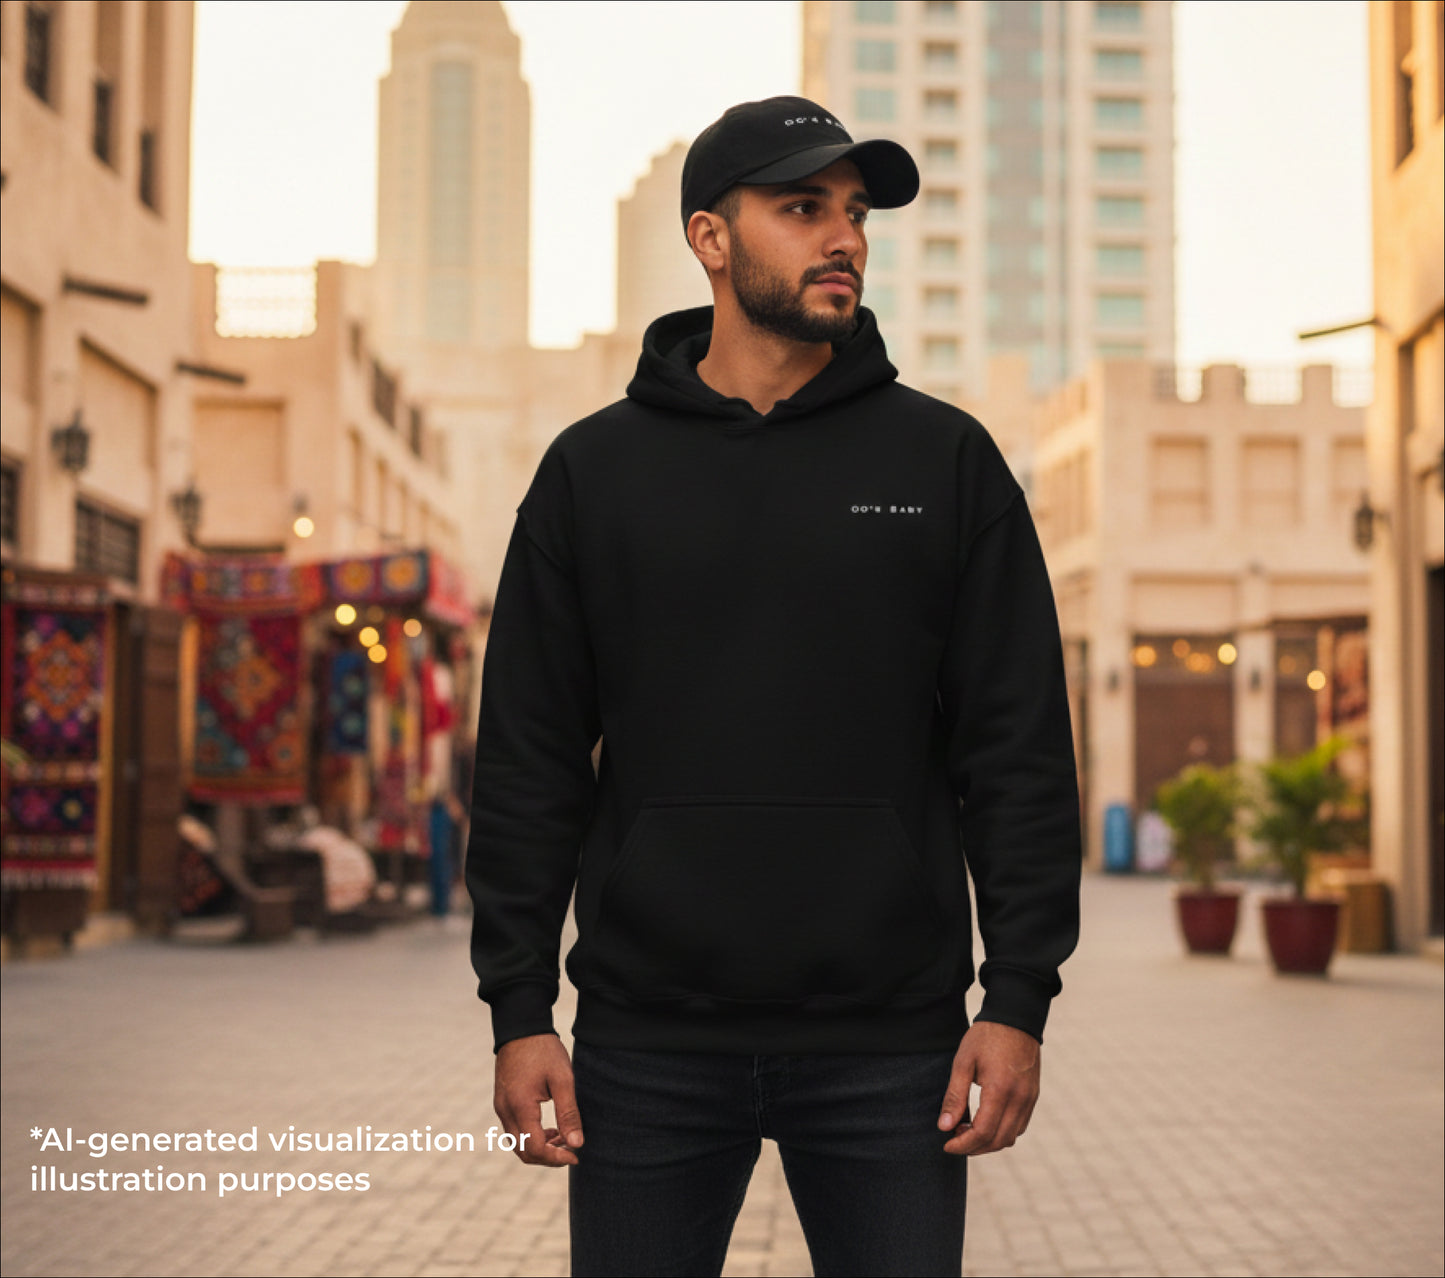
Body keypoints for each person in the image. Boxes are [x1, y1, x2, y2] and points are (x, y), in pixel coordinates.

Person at [464, 95, 1082, 1278]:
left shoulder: (942, 462)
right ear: (709, 237)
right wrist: (518, 1009)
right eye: (802, 208)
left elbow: (1013, 750)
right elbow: (530, 757)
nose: (842, 237)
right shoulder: (593, 473)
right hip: (645, 1046)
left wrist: (1014, 998)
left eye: (852, 213)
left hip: (892, 1048)